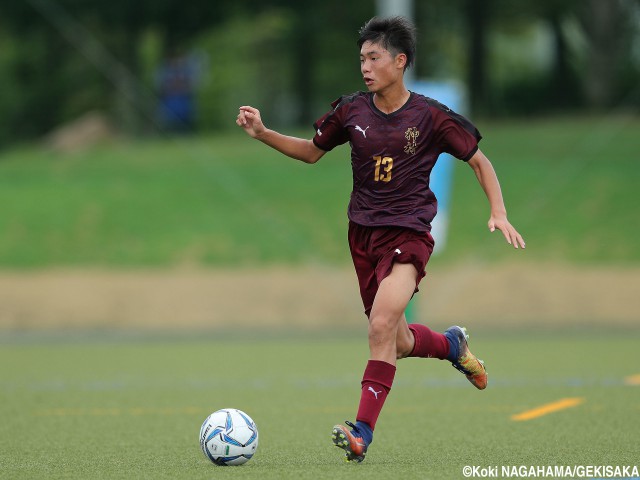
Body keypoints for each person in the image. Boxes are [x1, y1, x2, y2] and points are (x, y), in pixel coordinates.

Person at [236, 16, 525, 463]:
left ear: (400, 61)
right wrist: (263, 133)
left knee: (379, 327)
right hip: (362, 236)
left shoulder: (431, 116)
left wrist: (499, 211)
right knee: (398, 339)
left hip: (409, 232)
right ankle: (452, 345)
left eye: (374, 58)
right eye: (362, 59)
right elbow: (312, 152)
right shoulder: (351, 111)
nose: (366, 67)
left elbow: (480, 161)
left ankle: (362, 433)